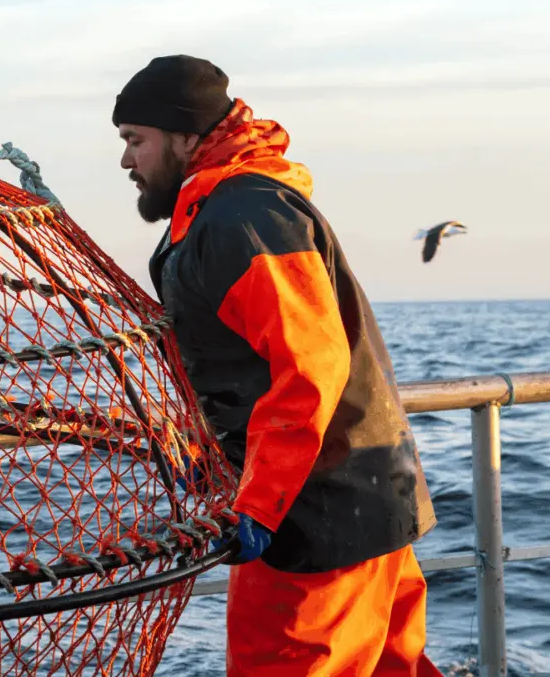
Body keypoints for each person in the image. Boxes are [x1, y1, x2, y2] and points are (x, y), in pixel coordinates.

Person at [112, 54, 442, 676]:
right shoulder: (229, 206)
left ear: (186, 138)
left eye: (136, 140)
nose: (127, 161)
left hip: (316, 519)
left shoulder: (245, 215)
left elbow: (311, 364)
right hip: (358, 500)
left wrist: (259, 506)